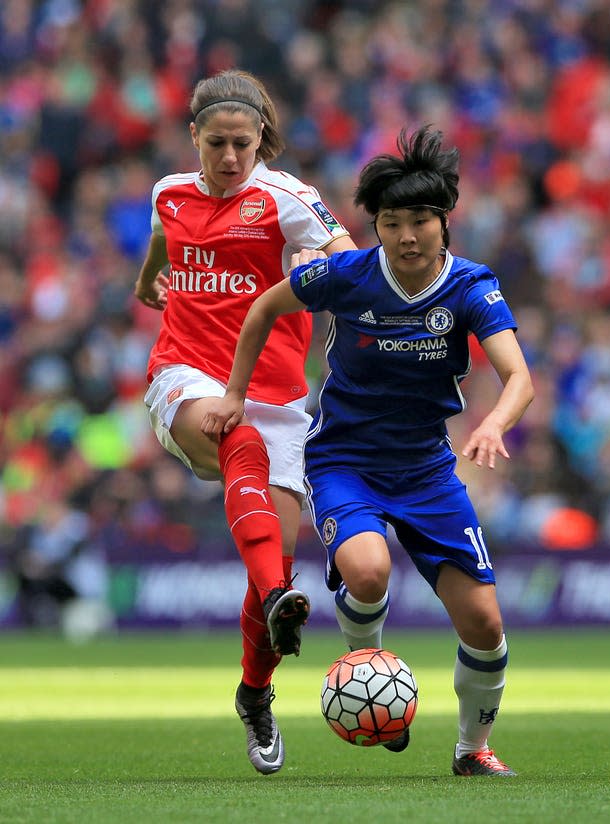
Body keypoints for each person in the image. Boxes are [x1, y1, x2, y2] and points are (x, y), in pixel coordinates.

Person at [203, 125, 535, 776]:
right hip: (344, 461)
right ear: (375, 227)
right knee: (367, 571)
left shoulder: (470, 287)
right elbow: (265, 308)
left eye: (419, 221)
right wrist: (235, 392)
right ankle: (368, 668)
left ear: (444, 222)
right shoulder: (347, 274)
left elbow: (519, 376)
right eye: (390, 222)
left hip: (428, 471)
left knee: (486, 625)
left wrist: (495, 423)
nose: (406, 236)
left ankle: (472, 752)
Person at [134, 68, 356, 775]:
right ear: (193, 136)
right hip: (189, 377)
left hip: (279, 393)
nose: (231, 159)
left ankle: (255, 694)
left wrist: (336, 271)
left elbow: (347, 252)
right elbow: (161, 246)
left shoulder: (286, 197)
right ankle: (273, 596)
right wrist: (148, 284)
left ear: (263, 139)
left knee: (279, 556)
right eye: (218, 145)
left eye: (244, 145)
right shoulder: (170, 193)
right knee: (240, 439)